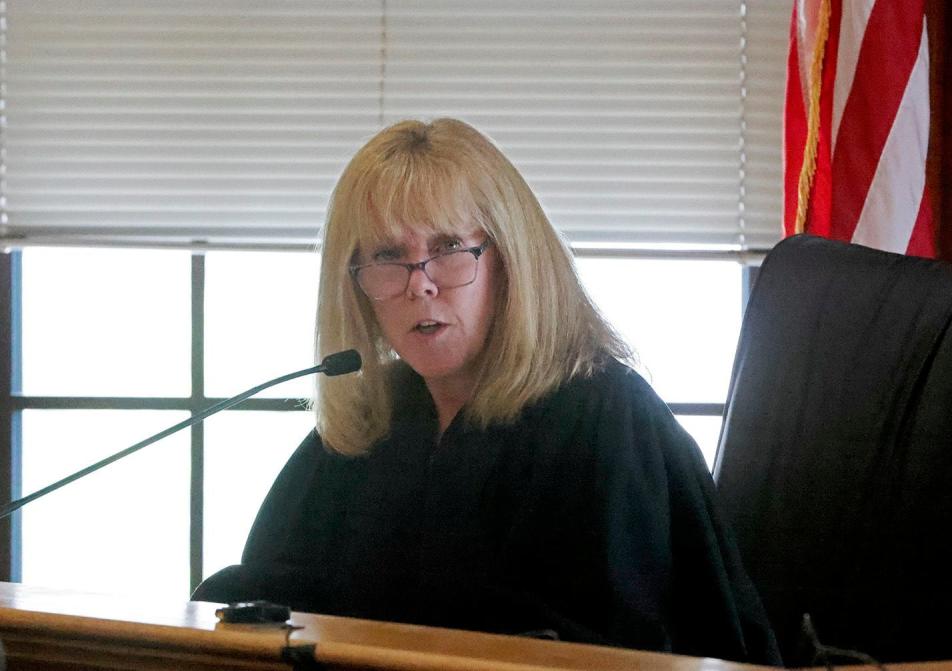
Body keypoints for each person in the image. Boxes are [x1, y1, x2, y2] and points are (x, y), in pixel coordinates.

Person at [193, 118, 780, 664]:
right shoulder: (372, 424)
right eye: (387, 256)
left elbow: (608, 649)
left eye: (448, 248)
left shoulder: (603, 420)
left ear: (512, 260)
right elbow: (259, 603)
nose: (420, 284)